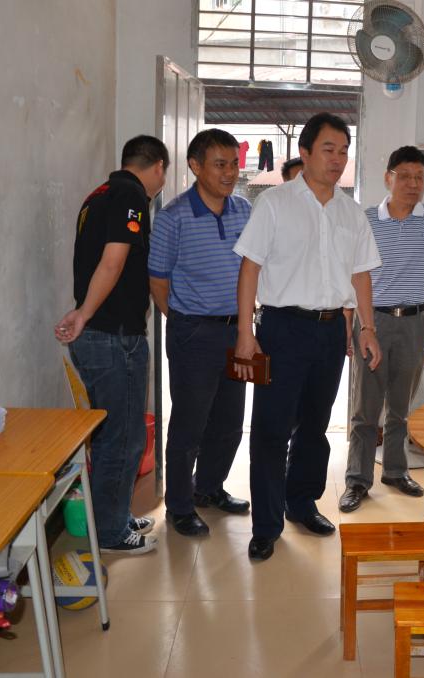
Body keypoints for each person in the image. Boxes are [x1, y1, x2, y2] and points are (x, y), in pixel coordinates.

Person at [233, 112, 382, 561]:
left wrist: (367, 328)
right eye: (328, 149)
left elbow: (360, 275)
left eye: (344, 151)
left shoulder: (351, 212)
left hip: (331, 330)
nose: (337, 159)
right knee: (271, 429)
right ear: (305, 152)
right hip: (282, 328)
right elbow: (250, 268)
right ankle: (266, 525)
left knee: (314, 426)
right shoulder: (274, 203)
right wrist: (245, 332)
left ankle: (302, 504)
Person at [54, 134, 168, 555]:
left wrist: (83, 314)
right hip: (112, 337)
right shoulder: (131, 196)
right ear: (158, 167)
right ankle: (111, 532)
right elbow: (112, 261)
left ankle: (113, 516)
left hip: (103, 335)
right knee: (122, 439)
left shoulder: (98, 195)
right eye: (163, 175)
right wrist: (83, 314)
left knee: (117, 435)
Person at [339, 146, 424, 513]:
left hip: (415, 322)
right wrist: (355, 324)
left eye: (420, 178)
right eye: (405, 176)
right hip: (373, 322)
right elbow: (354, 274)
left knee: (400, 406)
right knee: (366, 408)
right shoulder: (366, 219)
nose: (413, 184)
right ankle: (357, 480)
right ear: (388, 178)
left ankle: (395, 471)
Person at [148, 129, 251, 538]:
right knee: (190, 424)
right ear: (195, 166)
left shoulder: (244, 210)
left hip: (238, 331)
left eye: (234, 164)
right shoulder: (173, 217)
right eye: (220, 164)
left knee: (230, 421)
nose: (230, 173)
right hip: (194, 333)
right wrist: (183, 320)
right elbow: (158, 281)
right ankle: (179, 505)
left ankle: (209, 487)